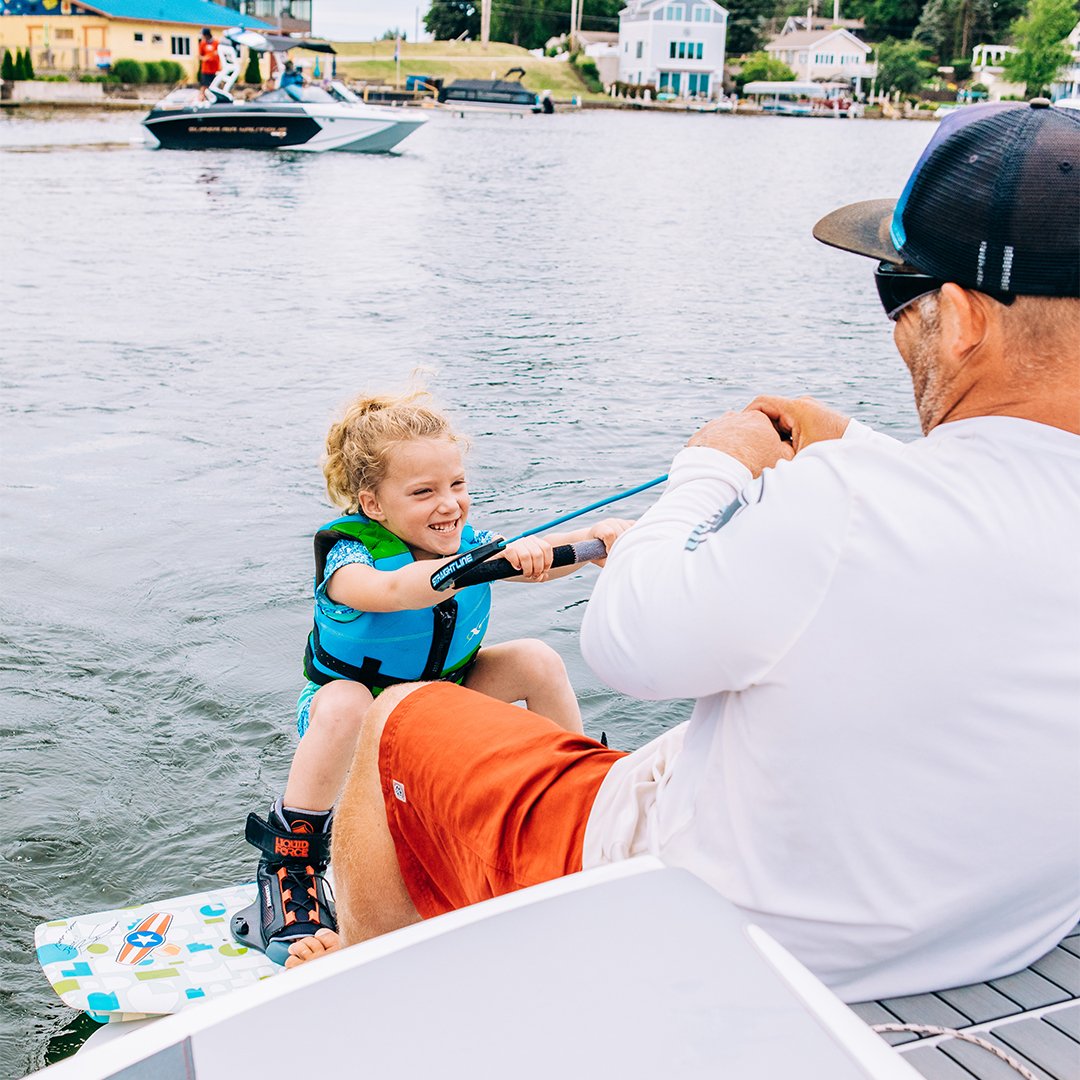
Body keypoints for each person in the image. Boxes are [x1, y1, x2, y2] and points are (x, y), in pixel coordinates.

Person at [286, 101, 1080, 1003]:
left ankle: (369, 997)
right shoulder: (883, 491)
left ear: (966, 319)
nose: (897, 329)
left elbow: (628, 643)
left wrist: (712, 465)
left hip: (714, 927)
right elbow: (992, 508)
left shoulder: (841, 507)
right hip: (984, 936)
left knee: (399, 720)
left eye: (900, 293)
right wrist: (854, 442)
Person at [233, 390, 629, 963]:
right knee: (343, 701)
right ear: (372, 504)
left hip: (441, 696)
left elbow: (536, 564)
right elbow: (394, 591)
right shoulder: (348, 559)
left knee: (536, 659)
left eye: (457, 486)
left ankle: (581, 806)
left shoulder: (465, 542)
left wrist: (598, 540)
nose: (450, 506)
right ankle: (291, 868)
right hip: (356, 714)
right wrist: (467, 567)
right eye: (423, 493)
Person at [197, 28, 220, 100]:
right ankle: (201, 99)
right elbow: (200, 55)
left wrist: (212, 56)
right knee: (204, 85)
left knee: (215, 85)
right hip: (206, 69)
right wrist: (205, 58)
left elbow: (218, 53)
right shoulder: (202, 43)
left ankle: (214, 98)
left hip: (214, 69)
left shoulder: (216, 43)